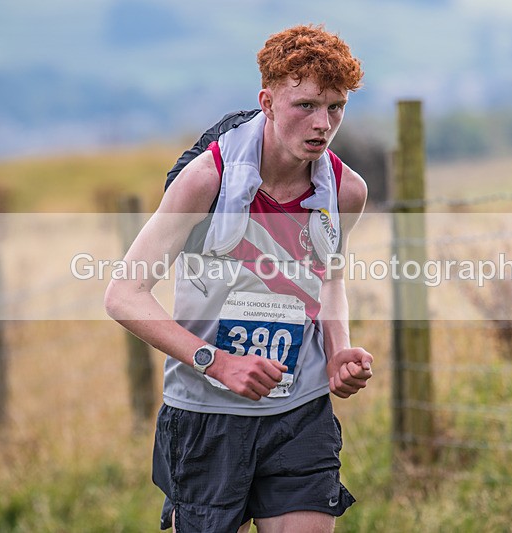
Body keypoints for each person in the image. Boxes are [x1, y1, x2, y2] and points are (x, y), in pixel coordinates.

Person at [104, 24, 373, 533]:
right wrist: (218, 362)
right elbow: (122, 294)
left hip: (301, 410)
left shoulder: (347, 190)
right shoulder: (207, 179)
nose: (323, 124)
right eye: (306, 106)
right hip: (206, 415)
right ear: (267, 102)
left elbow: (330, 278)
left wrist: (338, 350)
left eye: (335, 107)